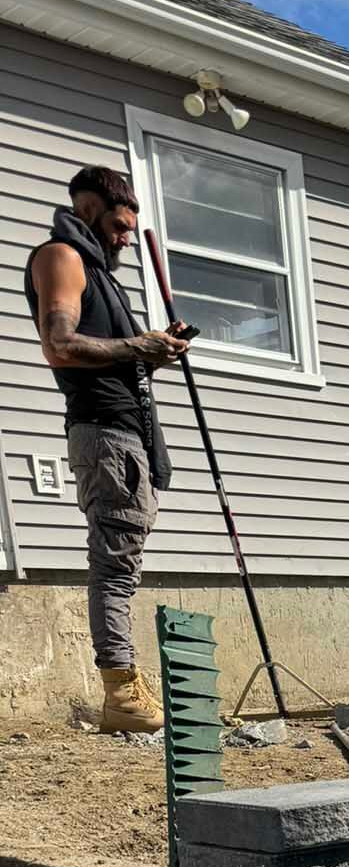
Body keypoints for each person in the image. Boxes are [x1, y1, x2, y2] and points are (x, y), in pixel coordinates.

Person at [24, 167, 187, 734]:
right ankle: (121, 692)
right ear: (90, 206)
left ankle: (126, 687)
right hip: (103, 433)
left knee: (125, 557)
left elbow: (116, 358)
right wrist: (138, 344)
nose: (125, 238)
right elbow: (60, 345)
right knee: (114, 561)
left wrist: (151, 354)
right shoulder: (62, 256)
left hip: (125, 431)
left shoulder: (98, 272)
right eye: (119, 225)